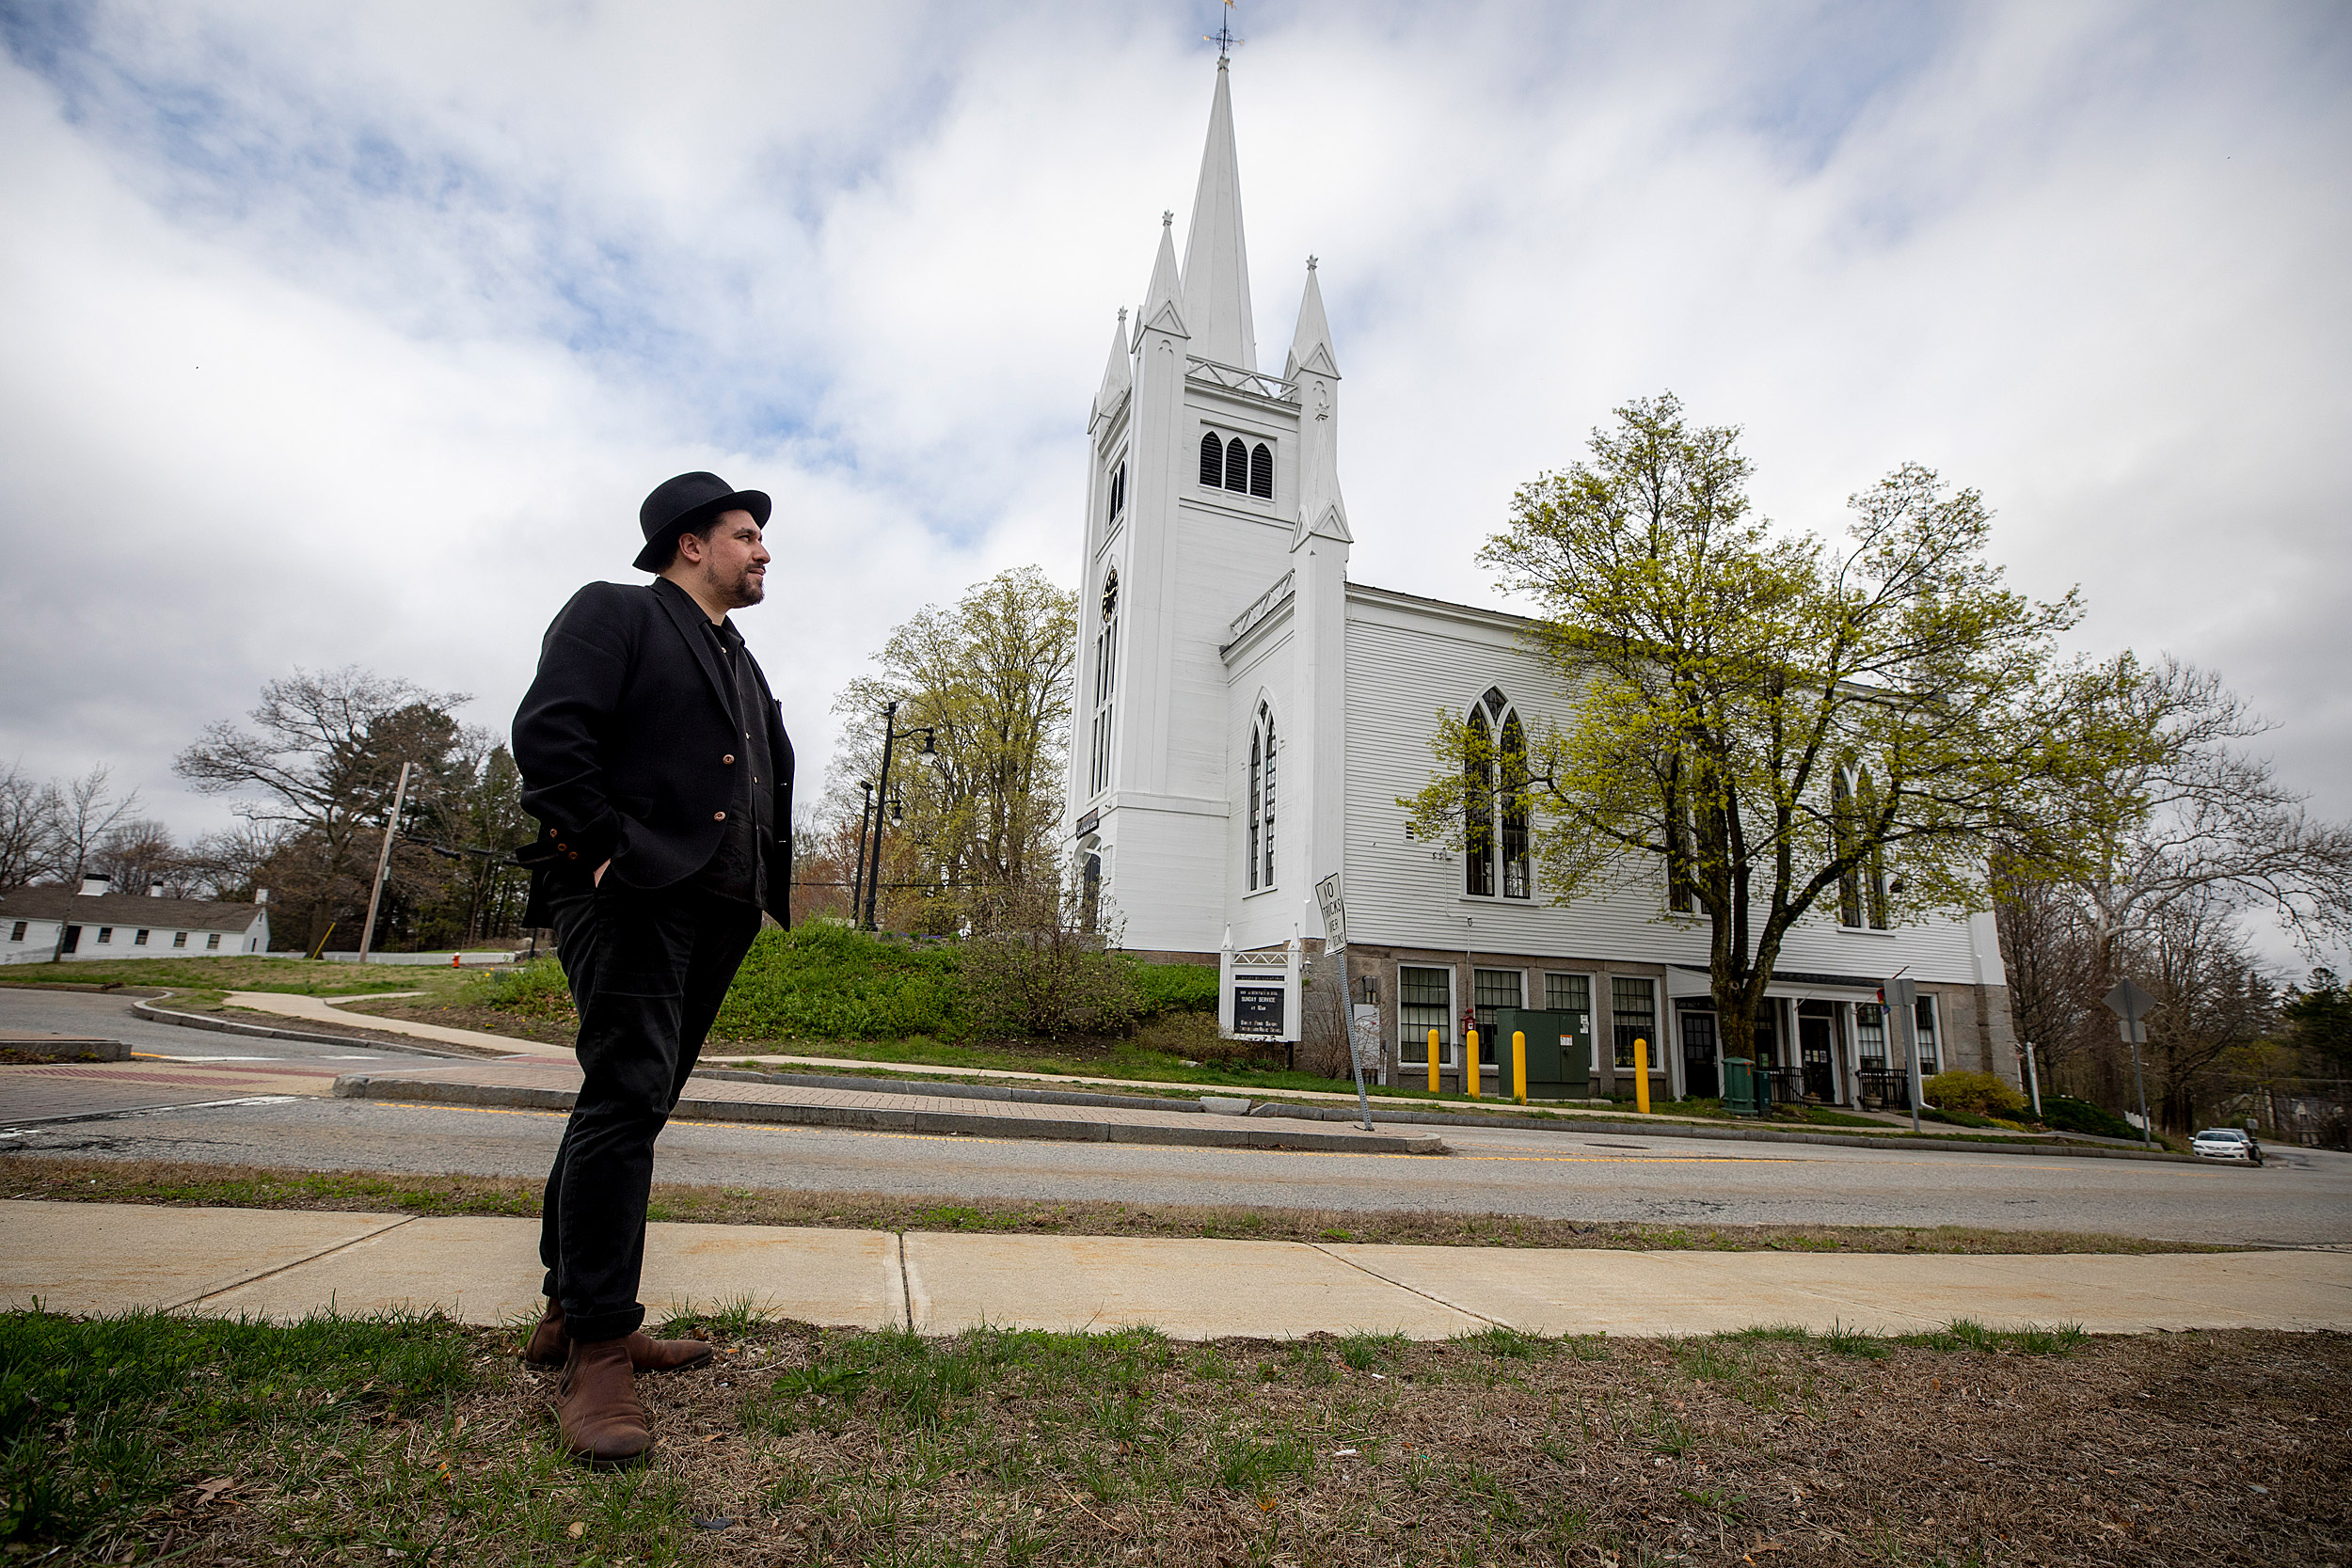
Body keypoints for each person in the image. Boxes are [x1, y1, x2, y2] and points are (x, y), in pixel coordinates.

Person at [510, 471, 794, 1465]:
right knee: (626, 1098)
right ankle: (597, 1350)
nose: (762, 551)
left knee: (630, 1099)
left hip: (717, 909)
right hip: (631, 894)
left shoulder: (737, 657)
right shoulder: (617, 613)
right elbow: (548, 734)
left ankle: (566, 1309)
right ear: (690, 543)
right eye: (746, 534)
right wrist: (600, 846)